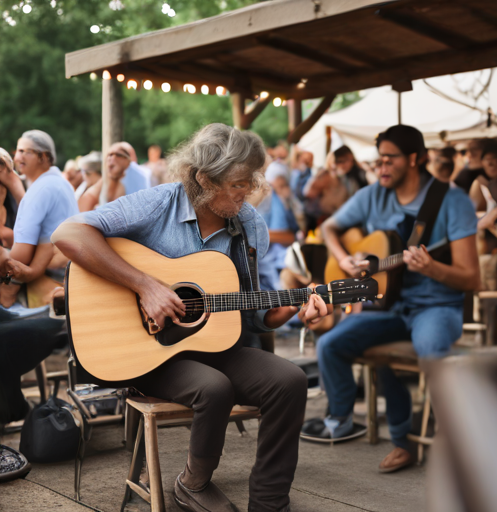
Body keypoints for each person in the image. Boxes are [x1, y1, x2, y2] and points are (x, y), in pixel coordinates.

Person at [52, 124, 331, 512]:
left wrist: (293, 307)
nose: (248, 191)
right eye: (237, 183)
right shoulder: (158, 204)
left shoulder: (248, 226)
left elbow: (253, 313)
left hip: (213, 343)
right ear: (203, 178)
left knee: (290, 380)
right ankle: (193, 484)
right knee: (213, 387)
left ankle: (270, 502)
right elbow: (68, 233)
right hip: (147, 350)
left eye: (251, 180)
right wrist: (145, 286)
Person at [301, 125, 480, 473]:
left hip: (437, 306)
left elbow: (471, 278)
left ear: (415, 159)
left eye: (389, 159)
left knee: (428, 348)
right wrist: (343, 258)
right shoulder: (373, 196)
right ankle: (345, 421)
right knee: (331, 344)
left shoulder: (451, 200)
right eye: (378, 159)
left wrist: (432, 269)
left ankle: (452, 438)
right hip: (390, 306)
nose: (381, 166)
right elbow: (329, 228)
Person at [0, 130, 78, 424]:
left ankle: (13, 408)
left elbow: (20, 255)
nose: (18, 157)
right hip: (56, 280)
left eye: (26, 152)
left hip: (50, 288)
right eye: (16, 151)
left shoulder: (40, 190)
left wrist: (16, 269)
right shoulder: (55, 184)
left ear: (45, 157)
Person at [471, 139, 497, 278]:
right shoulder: (484, 182)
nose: (493, 165)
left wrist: (496, 214)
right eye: (489, 160)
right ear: (482, 162)